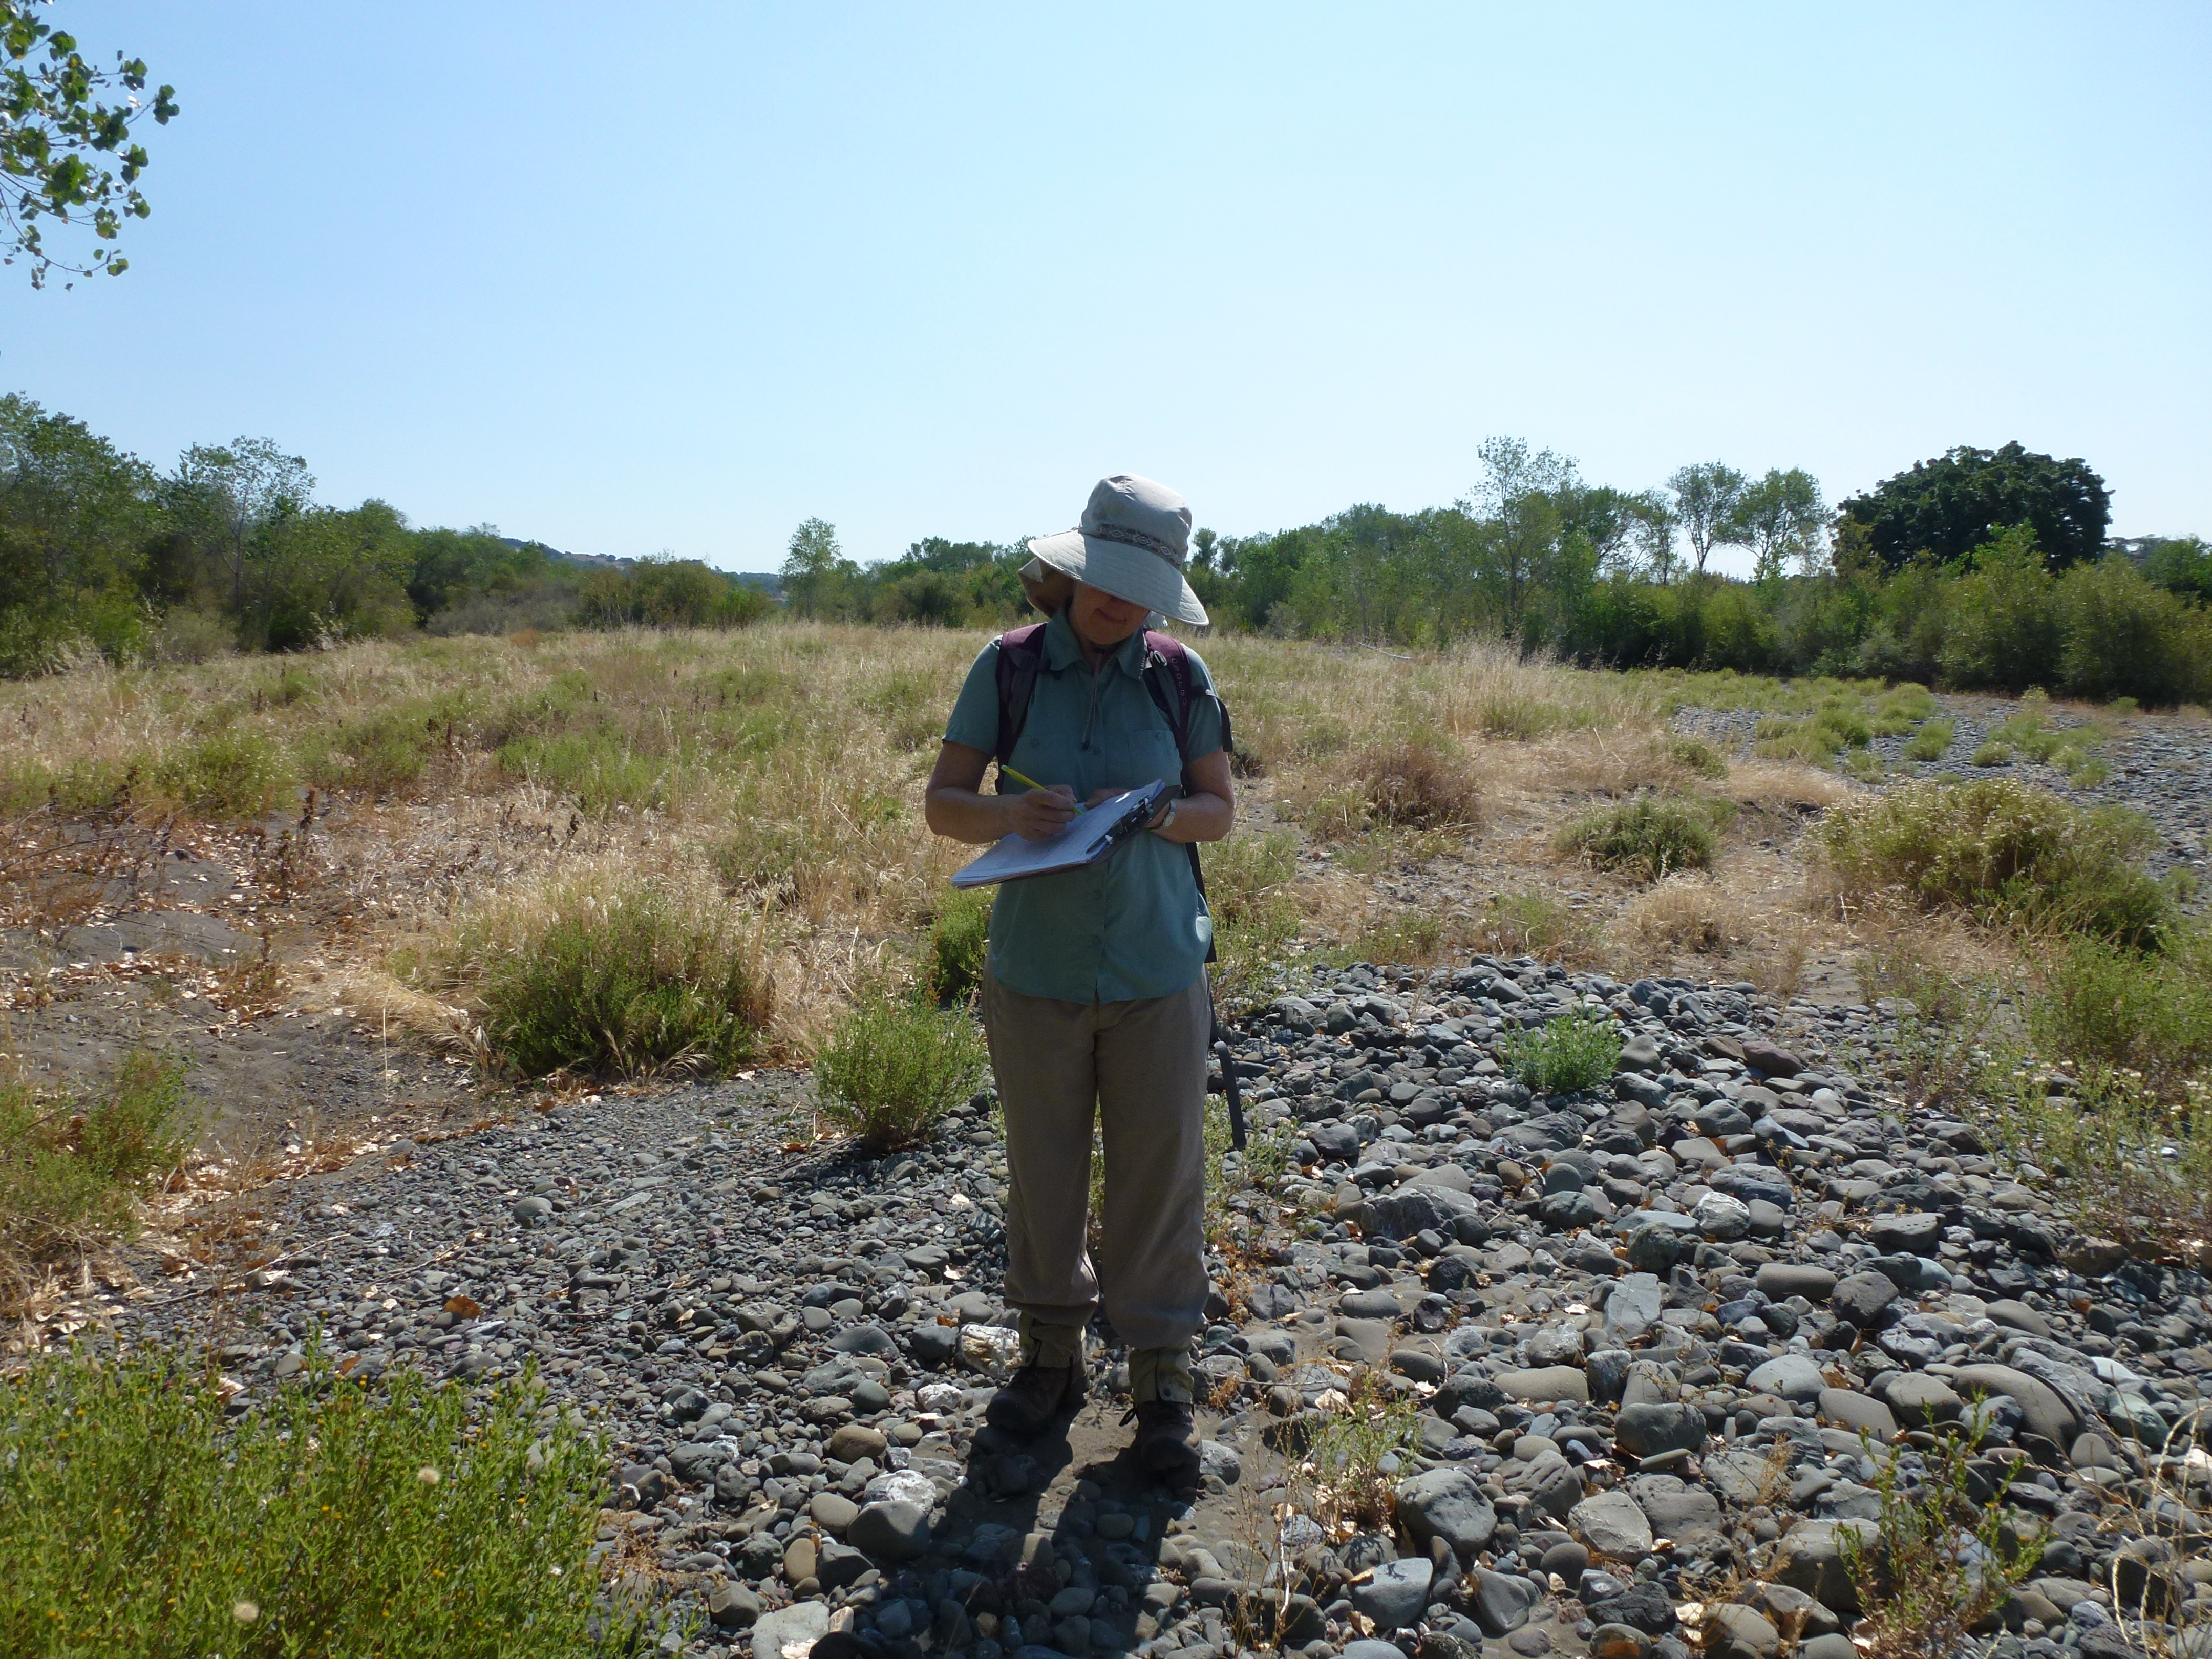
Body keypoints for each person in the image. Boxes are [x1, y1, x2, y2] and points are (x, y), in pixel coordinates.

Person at [923, 474, 1233, 1479]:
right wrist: (1011, 815)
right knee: (1043, 1169)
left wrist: (1157, 812)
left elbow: (1219, 811)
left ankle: (1161, 1377)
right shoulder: (1009, 667)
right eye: (1109, 582)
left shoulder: (1180, 677)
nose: (1122, 605)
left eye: (1143, 592)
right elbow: (943, 803)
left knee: (1160, 1173)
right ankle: (1049, 1356)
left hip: (1158, 967)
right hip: (1037, 970)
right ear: (1073, 571)